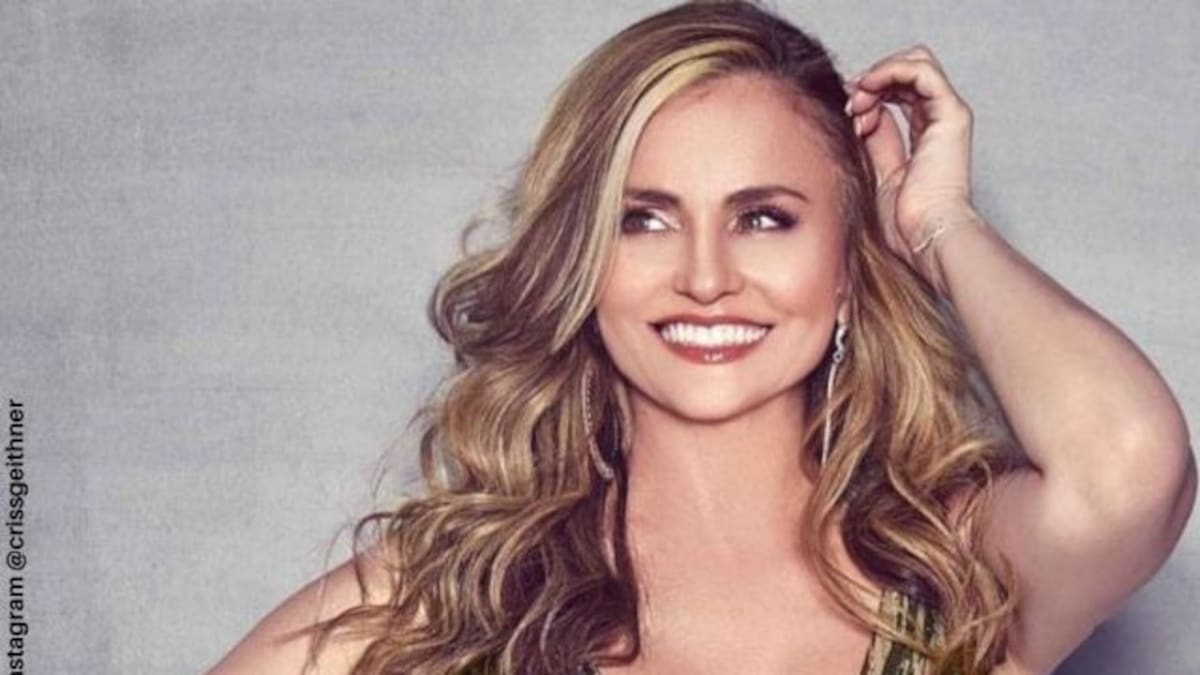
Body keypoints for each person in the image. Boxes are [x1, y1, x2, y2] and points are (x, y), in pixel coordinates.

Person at [207, 1, 1196, 673]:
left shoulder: (951, 571)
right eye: (644, 219)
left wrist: (940, 225)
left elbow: (1133, 467)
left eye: (764, 218)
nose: (707, 275)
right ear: (582, 263)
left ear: (846, 264)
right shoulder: (460, 595)